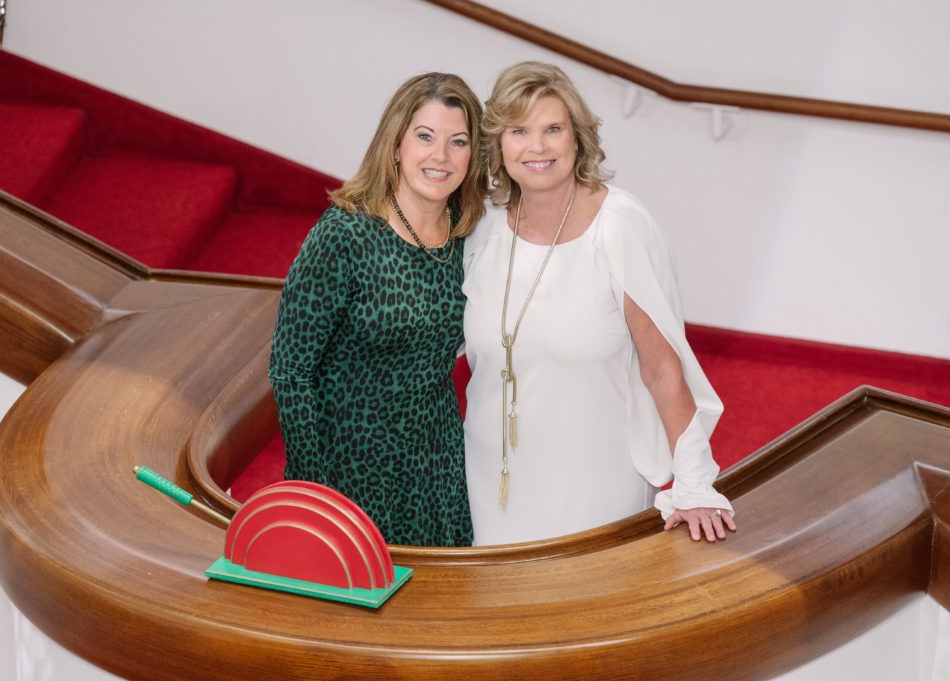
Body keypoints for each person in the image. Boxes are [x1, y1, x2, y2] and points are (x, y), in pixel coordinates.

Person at [463, 62, 736, 545]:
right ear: (498, 144)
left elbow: (662, 368)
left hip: (594, 481)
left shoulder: (621, 227)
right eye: (519, 131)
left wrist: (694, 482)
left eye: (553, 129)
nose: (538, 146)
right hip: (491, 478)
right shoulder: (482, 227)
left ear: (577, 139)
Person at [268, 73, 487, 547]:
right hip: (349, 466)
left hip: (434, 464)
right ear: (396, 144)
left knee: (432, 612)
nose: (440, 156)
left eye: (458, 142)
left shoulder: (470, 235)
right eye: (425, 137)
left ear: (473, 157)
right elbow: (289, 371)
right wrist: (315, 485)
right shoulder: (346, 234)